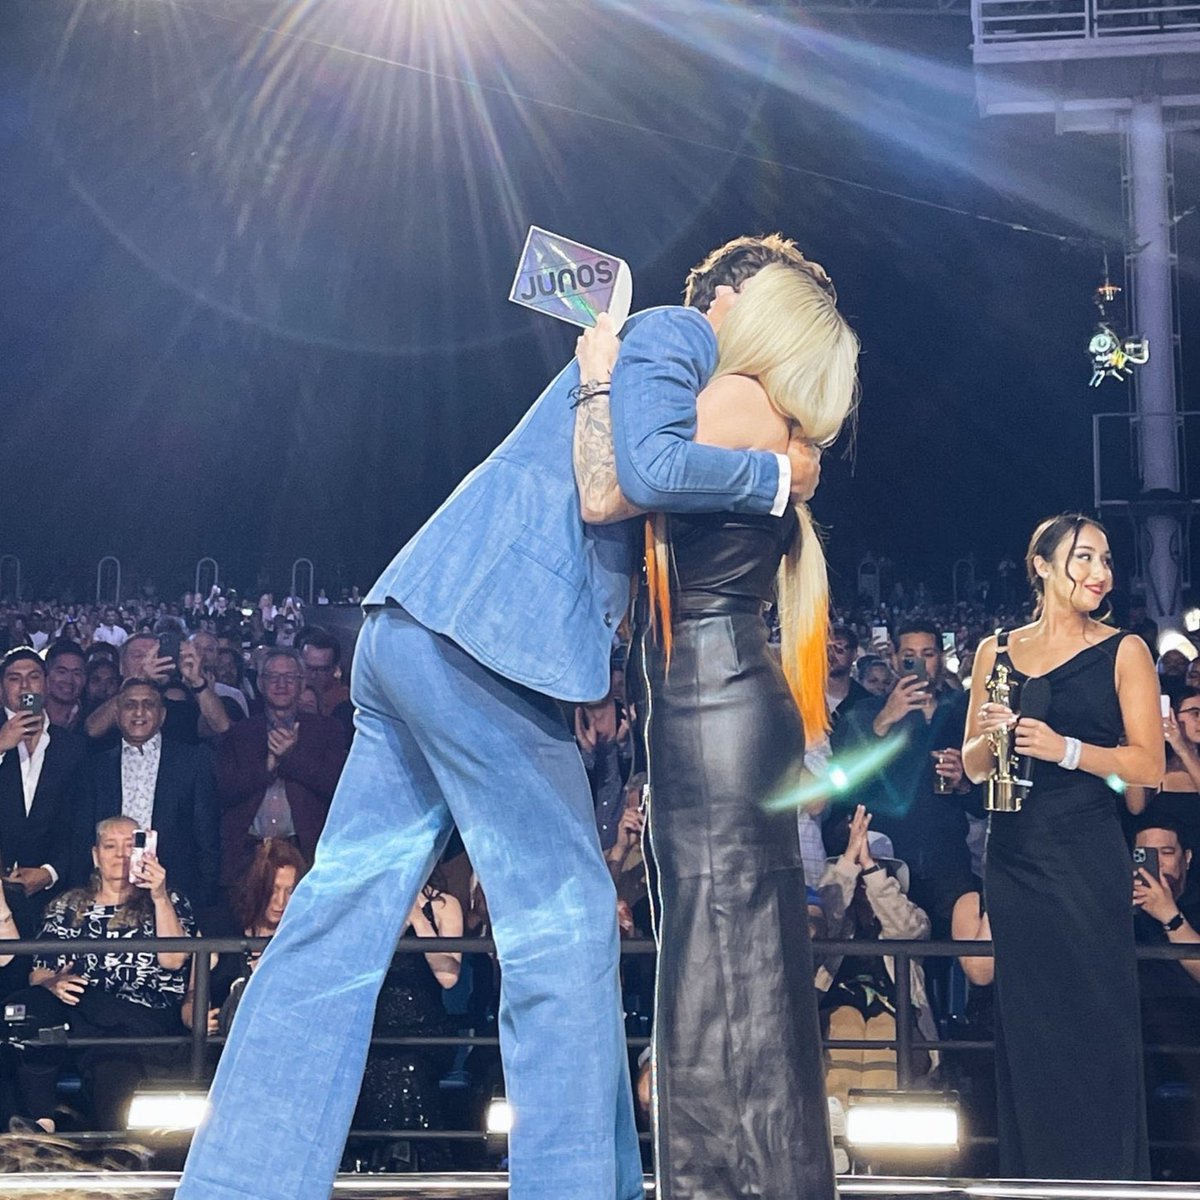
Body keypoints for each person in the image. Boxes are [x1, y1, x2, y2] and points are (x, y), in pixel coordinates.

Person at [176, 232, 824, 1200]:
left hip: (413, 630)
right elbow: (623, 483)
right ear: (739, 298)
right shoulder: (677, 332)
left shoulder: (657, 353)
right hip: (488, 651)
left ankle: (238, 1186)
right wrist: (773, 477)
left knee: (334, 923)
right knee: (566, 933)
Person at [573, 250, 857, 1199]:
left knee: (716, 949)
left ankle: (718, 1187)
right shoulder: (774, 420)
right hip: (721, 694)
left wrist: (603, 377)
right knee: (739, 948)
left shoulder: (736, 399)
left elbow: (617, 483)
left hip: (711, 697)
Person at [962, 513, 1163, 1179]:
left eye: (1106, 560)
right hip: (1014, 855)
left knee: (1094, 1021)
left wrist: (1064, 748)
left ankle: (1108, 1178)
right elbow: (967, 764)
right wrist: (993, 741)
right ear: (1042, 566)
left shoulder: (1123, 649)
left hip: (1084, 853)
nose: (1100, 573)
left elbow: (1147, 767)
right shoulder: (995, 649)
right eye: (1084, 557)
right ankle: (1035, 1179)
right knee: (1030, 1029)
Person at [4, 815, 194, 1132]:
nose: (120, 855)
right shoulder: (67, 905)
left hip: (141, 1021)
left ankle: (118, 1161)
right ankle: (42, 1125)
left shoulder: (168, 900)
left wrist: (159, 895)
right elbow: (37, 971)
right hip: (79, 1014)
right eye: (110, 846)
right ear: (95, 855)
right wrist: (53, 983)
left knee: (113, 1068)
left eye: (129, 846)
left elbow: (174, 960)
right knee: (27, 1007)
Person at [815, 806, 936, 1108]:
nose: (862, 881)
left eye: (873, 871)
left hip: (896, 1010)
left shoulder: (911, 914)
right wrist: (847, 862)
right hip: (837, 1003)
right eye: (858, 871)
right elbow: (823, 919)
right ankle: (837, 1133)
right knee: (844, 1024)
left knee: (884, 1032)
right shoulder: (834, 916)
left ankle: (879, 1144)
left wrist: (870, 867)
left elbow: (908, 930)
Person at [77, 679, 220, 909]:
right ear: (117, 713)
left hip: (176, 892)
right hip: (109, 892)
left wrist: (203, 897)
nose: (139, 712)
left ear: (162, 714)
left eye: (148, 704)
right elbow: (83, 836)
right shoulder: (96, 767)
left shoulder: (193, 762)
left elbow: (207, 837)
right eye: (130, 705)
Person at [215, 648, 346, 888]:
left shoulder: (327, 730)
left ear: (302, 682)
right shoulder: (240, 733)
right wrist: (267, 766)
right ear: (261, 683)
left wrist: (291, 757)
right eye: (273, 677)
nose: (281, 684)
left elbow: (336, 787)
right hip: (249, 851)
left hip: (304, 851)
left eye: (290, 678)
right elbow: (224, 792)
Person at [0, 648, 89, 935]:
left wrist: (50, 872)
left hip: (51, 893)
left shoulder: (74, 748)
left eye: (33, 677)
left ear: (47, 684)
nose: (25, 686)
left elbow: (81, 822)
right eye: (15, 678)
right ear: (2, 689)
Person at [181, 838, 308, 1037]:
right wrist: (196, 1019)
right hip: (223, 1047)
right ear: (255, 887)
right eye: (273, 890)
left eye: (290, 891)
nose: (281, 901)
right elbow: (193, 995)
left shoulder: (305, 935)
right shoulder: (218, 926)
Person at [1124, 687, 1200, 854]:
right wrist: (1136, 744)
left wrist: (1182, 748)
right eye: (1194, 713)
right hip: (1165, 861)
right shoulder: (1157, 764)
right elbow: (1135, 808)